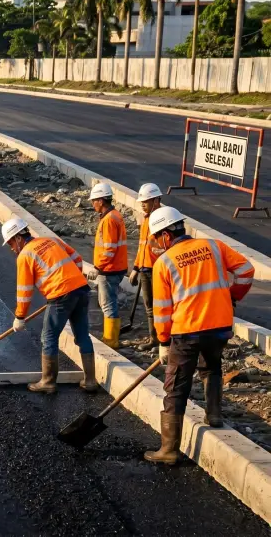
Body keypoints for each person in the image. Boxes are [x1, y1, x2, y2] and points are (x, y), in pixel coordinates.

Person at [145, 207, 253, 464]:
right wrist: (232, 295)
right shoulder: (213, 246)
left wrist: (163, 341)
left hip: (187, 332)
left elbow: (162, 311)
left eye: (156, 237)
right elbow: (246, 271)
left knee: (176, 387)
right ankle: (214, 415)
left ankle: (169, 450)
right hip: (219, 326)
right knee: (211, 367)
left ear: (165, 235)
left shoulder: (164, 263)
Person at [1, 217, 97, 393]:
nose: (11, 248)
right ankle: (90, 381)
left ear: (18, 238)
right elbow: (77, 258)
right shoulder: (51, 240)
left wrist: (20, 316)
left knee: (49, 337)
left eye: (10, 243)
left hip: (60, 295)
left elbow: (24, 291)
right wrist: (72, 280)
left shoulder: (25, 255)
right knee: (83, 335)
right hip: (81, 289)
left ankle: (48, 381)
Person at [85, 183, 128, 348]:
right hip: (116, 267)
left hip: (109, 270)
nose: (92, 204)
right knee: (111, 303)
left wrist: (98, 268)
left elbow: (109, 249)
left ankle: (111, 341)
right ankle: (112, 337)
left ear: (102, 200)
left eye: (94, 200)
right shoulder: (114, 215)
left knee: (107, 304)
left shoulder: (109, 220)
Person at [129, 183, 164, 351]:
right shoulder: (146, 219)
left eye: (146, 201)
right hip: (145, 268)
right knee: (149, 306)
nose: (143, 204)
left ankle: (163, 339)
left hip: (157, 270)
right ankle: (154, 338)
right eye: (142, 201)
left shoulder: (163, 219)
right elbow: (142, 246)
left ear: (156, 200)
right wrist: (136, 267)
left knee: (160, 306)